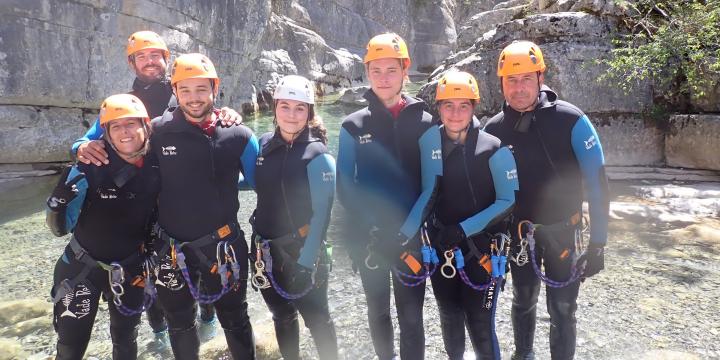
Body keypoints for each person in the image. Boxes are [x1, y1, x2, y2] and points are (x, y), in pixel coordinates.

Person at [70, 30, 233, 343]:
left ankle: (207, 318)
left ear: (166, 59)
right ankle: (160, 333)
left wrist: (227, 114)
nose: (149, 62)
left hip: (174, 196)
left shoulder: (181, 93)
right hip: (141, 200)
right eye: (141, 57)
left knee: (196, 269)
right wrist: (79, 147)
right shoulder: (126, 101)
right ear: (132, 64)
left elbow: (211, 122)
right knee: (153, 274)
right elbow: (89, 137)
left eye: (155, 55)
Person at [483, 40, 609, 360]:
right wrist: (488, 248)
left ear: (541, 77)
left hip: (563, 232)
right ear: (501, 83)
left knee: (563, 308)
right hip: (519, 235)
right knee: (523, 299)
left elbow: (597, 183)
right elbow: (485, 195)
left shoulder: (571, 121)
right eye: (511, 80)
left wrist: (598, 244)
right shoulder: (493, 131)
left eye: (527, 78)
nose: (519, 88)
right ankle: (522, 355)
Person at [336, 33, 443, 360]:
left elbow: (432, 185)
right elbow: (344, 185)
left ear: (404, 71)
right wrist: (372, 229)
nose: (383, 78)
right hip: (370, 238)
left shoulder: (427, 123)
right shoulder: (352, 125)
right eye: (376, 70)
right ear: (368, 72)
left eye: (391, 70)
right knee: (378, 311)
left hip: (410, 237)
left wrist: (403, 233)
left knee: (411, 318)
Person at [149, 53, 259, 360]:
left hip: (224, 247)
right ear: (175, 91)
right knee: (180, 324)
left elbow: (267, 185)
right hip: (171, 249)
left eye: (201, 89)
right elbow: (123, 154)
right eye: (185, 90)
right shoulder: (157, 132)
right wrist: (85, 148)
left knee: (235, 319)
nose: (194, 98)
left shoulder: (237, 134)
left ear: (215, 88)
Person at [46, 93, 159, 360]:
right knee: (71, 347)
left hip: (131, 268)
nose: (125, 132)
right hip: (81, 268)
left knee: (126, 341)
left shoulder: (158, 164)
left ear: (146, 126)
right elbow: (58, 228)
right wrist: (61, 198)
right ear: (105, 133)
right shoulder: (90, 165)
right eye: (115, 126)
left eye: (131, 124)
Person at [428, 71, 518, 360]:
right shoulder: (429, 145)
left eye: (463, 106)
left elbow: (508, 201)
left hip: (482, 252)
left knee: (481, 325)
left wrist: (463, 229)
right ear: (438, 108)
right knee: (449, 318)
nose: (455, 114)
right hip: (441, 248)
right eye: (448, 106)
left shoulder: (494, 148)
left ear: (473, 108)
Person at [250, 75, 338, 360]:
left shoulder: (318, 156)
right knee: (281, 315)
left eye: (299, 108)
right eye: (285, 106)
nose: (291, 114)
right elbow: (257, 181)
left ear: (309, 113)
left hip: (302, 251)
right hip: (264, 251)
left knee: (317, 318)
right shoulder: (263, 144)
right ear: (274, 107)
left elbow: (323, 214)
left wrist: (306, 262)